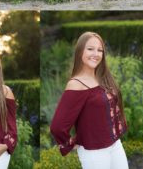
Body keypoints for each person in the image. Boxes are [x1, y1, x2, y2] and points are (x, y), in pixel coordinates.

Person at [50, 32, 129, 169]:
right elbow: (57, 126)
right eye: (90, 49)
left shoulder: (102, 78)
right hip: (94, 153)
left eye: (100, 50)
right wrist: (70, 142)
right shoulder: (76, 84)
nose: (96, 54)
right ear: (80, 51)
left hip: (115, 145)